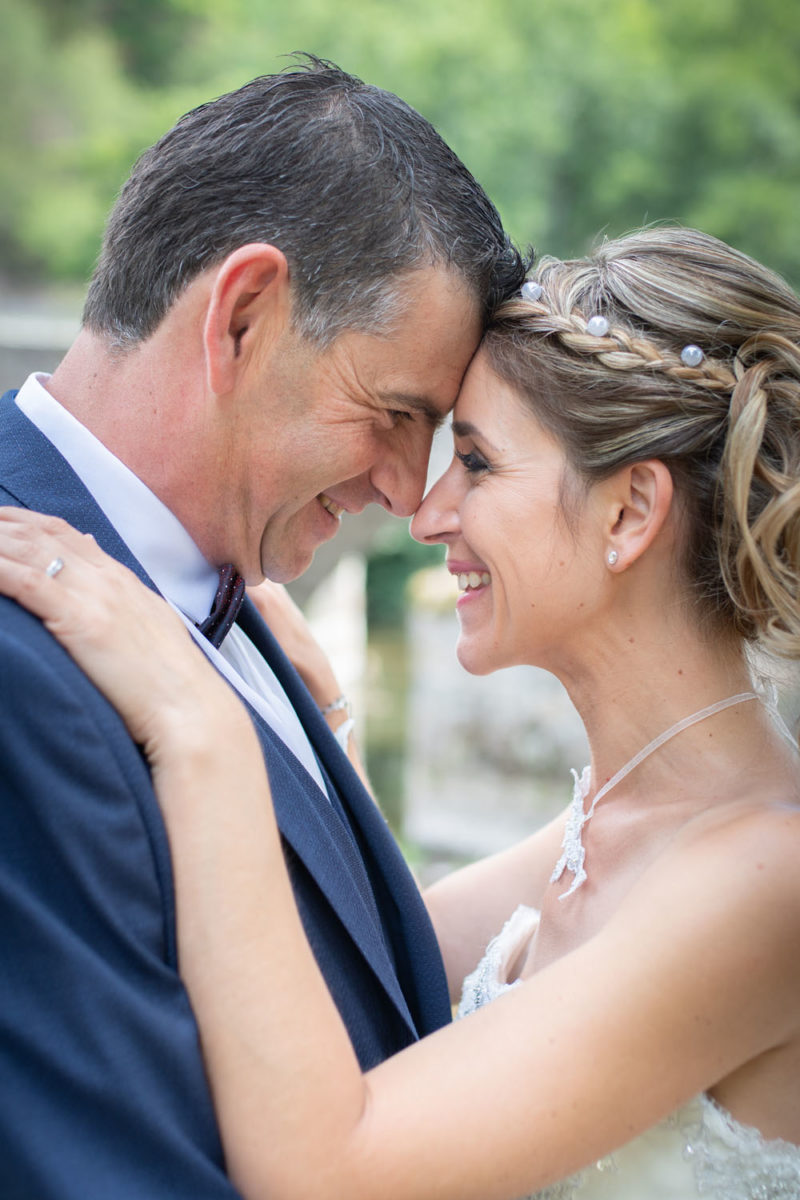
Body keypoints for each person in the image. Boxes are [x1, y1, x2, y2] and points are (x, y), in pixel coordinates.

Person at [2, 225, 799, 1199]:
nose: (425, 515)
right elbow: (367, 974)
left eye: (477, 463)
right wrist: (319, 731)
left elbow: (328, 1167)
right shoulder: (609, 821)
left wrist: (201, 724)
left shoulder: (770, 881)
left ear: (628, 512)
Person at [0, 55, 526, 1198]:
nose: (404, 490)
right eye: (394, 414)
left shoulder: (238, 616)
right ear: (240, 317)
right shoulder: (14, 660)